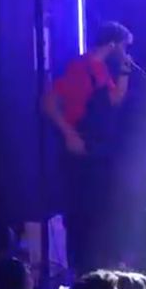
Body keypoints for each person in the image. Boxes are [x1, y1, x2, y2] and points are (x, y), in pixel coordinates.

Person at [40, 21, 135, 274]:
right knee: (82, 213)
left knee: (100, 211)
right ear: (113, 45)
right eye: (124, 47)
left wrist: (124, 71)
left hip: (98, 150)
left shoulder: (100, 69)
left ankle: (101, 267)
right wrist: (69, 133)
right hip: (80, 149)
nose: (126, 52)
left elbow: (114, 100)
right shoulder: (80, 67)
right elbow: (49, 102)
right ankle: (83, 271)